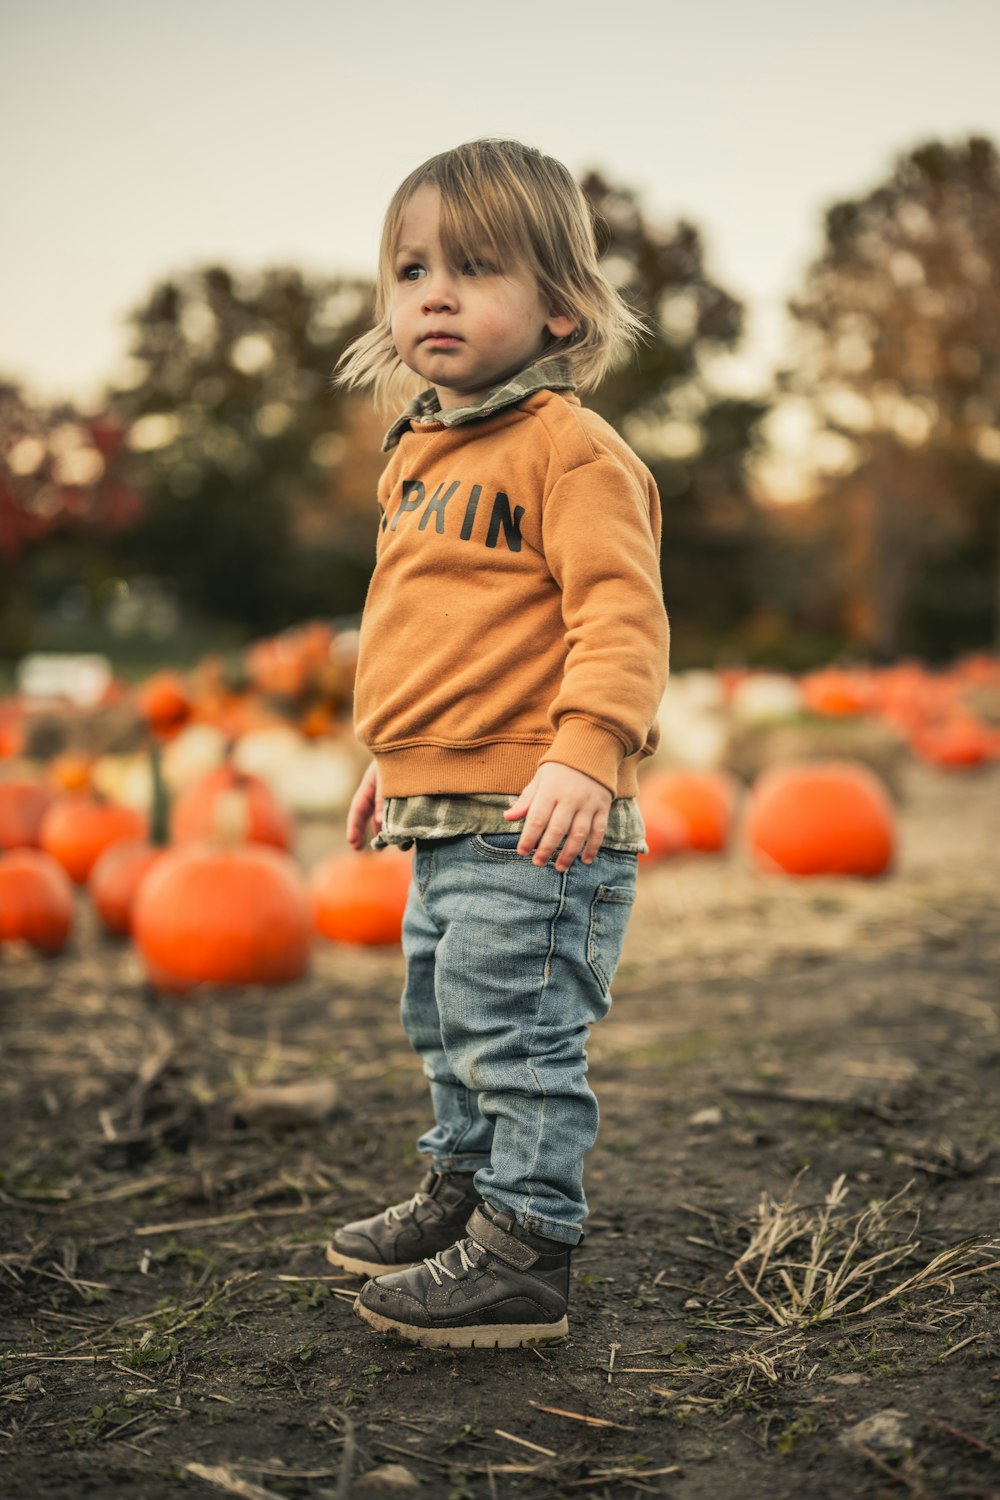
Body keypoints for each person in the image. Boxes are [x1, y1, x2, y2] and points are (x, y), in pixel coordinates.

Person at [325, 138, 670, 1348]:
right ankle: (465, 1190)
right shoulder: (417, 453)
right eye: (411, 267)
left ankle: (525, 1249)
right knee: (446, 1019)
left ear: (560, 312)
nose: (434, 292)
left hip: (539, 815)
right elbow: (433, 632)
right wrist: (395, 757)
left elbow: (620, 617)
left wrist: (590, 749)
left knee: (514, 1029)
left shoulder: (569, 450)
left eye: (473, 268)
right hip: (446, 806)